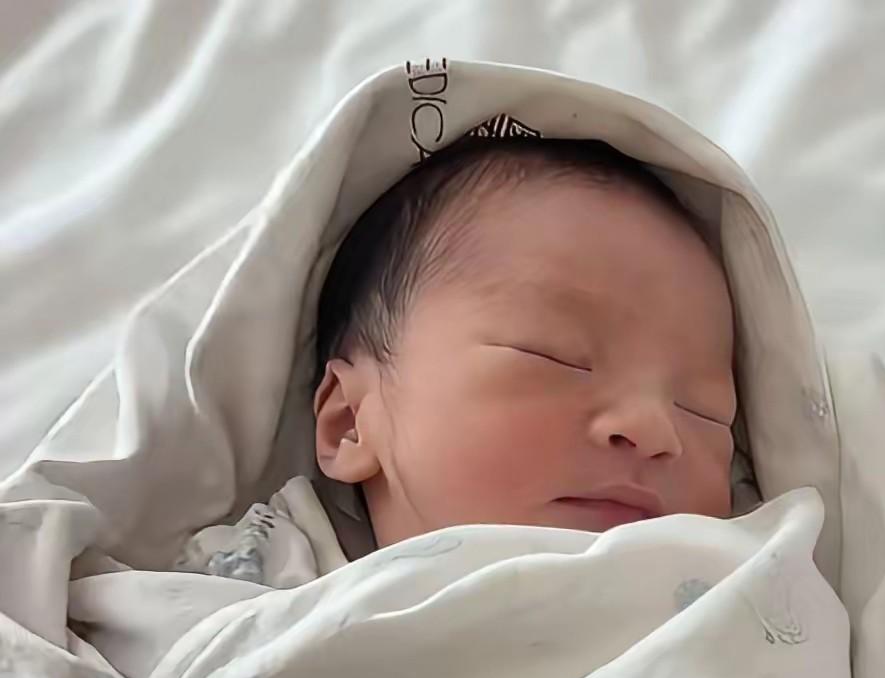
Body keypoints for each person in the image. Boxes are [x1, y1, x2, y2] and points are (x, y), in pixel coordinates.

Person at [176, 135, 745, 584]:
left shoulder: (745, 580)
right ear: (350, 421)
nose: (654, 428)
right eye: (551, 356)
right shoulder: (258, 586)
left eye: (705, 410)